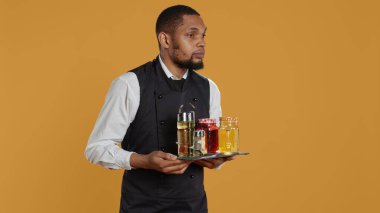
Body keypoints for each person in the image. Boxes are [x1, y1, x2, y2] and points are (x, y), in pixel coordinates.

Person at [85, 5, 235, 213]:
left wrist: (215, 159)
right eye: (191, 35)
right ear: (165, 40)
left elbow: (211, 147)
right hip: (143, 207)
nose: (201, 42)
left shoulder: (209, 88)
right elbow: (96, 148)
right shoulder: (130, 84)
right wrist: (143, 161)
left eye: (203, 35)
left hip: (193, 206)